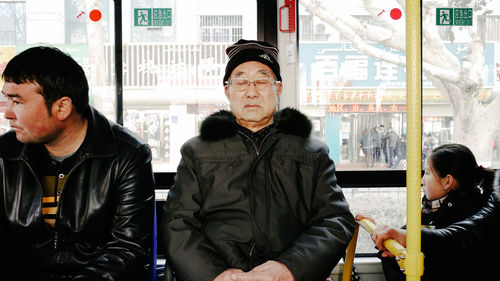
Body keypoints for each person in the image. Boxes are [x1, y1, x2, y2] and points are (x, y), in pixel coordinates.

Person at [161, 39, 355, 281]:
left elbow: (335, 220)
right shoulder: (198, 151)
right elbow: (177, 222)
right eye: (240, 81)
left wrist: (289, 268)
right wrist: (214, 275)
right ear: (227, 91)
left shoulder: (311, 152)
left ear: (278, 89)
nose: (251, 91)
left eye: (262, 81)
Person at [0, 46, 155, 280]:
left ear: (62, 107)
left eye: (17, 101)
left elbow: (126, 250)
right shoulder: (5, 154)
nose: (7, 114)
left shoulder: (127, 154)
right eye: (7, 100)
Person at [356, 143, 496, 281]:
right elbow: (405, 235)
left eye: (427, 173)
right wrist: (380, 233)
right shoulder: (431, 208)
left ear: (447, 181)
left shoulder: (467, 216)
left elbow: (445, 265)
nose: (422, 180)